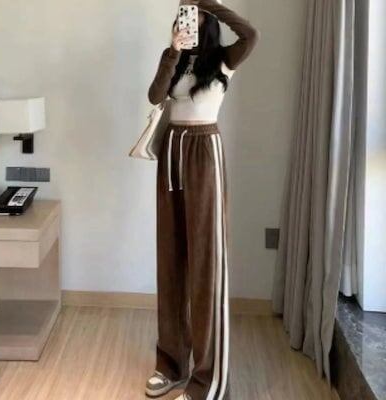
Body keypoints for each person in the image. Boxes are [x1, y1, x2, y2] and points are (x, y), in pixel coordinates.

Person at [145, 1, 260, 399]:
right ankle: (171, 363)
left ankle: (208, 377)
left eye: (193, 15)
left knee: (206, 261)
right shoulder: (175, 59)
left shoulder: (225, 60)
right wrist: (173, 50)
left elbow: (251, 35)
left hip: (204, 151)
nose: (187, 19)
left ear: (206, 20)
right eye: (183, 14)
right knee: (171, 257)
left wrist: (208, 2)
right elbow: (155, 96)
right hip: (171, 153)